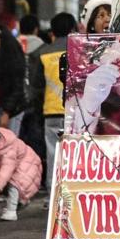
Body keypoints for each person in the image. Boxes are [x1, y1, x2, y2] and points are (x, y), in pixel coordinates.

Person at [28, 12, 75, 184]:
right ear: (72, 29)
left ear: (52, 32)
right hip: (75, 113)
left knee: (53, 155)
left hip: (51, 112)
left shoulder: (42, 54)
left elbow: (36, 87)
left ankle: (52, 197)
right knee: (74, 155)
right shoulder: (78, 50)